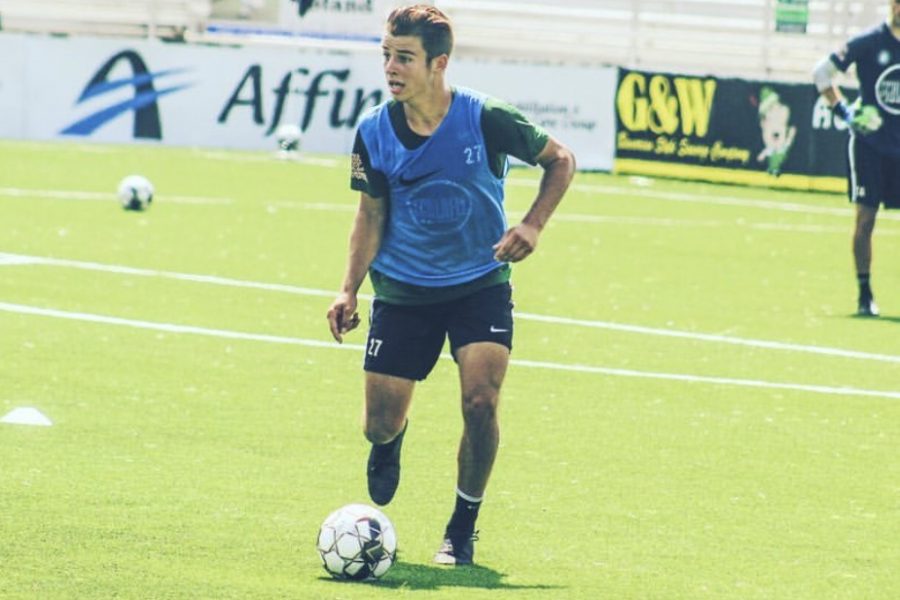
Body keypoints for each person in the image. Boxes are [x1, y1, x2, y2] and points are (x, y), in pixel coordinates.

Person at [326, 4, 575, 566]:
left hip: (479, 284)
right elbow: (371, 216)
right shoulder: (371, 130)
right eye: (386, 55)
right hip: (404, 292)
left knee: (481, 401)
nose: (391, 67)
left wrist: (532, 224)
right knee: (378, 424)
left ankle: (462, 527)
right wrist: (348, 288)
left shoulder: (486, 118)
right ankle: (390, 443)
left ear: (439, 63)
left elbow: (561, 160)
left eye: (404, 57)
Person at [813, 0, 900, 317]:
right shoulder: (868, 42)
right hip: (870, 146)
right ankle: (865, 294)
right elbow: (821, 73)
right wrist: (845, 112)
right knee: (866, 220)